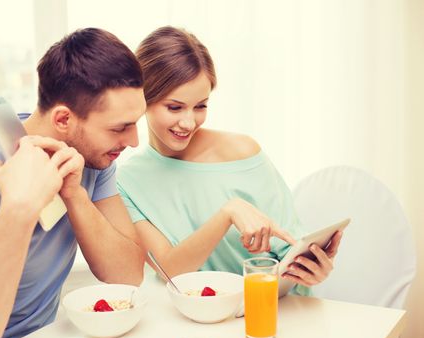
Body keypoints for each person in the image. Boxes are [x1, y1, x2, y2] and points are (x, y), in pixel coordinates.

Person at [0, 28, 147, 338]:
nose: (133, 141)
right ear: (64, 119)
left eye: (135, 123)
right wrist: (19, 209)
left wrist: (75, 195)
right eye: (119, 128)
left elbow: (127, 276)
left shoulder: (95, 159)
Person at [117, 26, 342, 291]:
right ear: (142, 98)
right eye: (174, 107)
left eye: (200, 106)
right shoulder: (127, 181)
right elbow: (171, 271)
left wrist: (311, 268)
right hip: (199, 320)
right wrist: (227, 213)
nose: (189, 122)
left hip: (277, 310)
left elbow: (291, 245)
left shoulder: (242, 152)